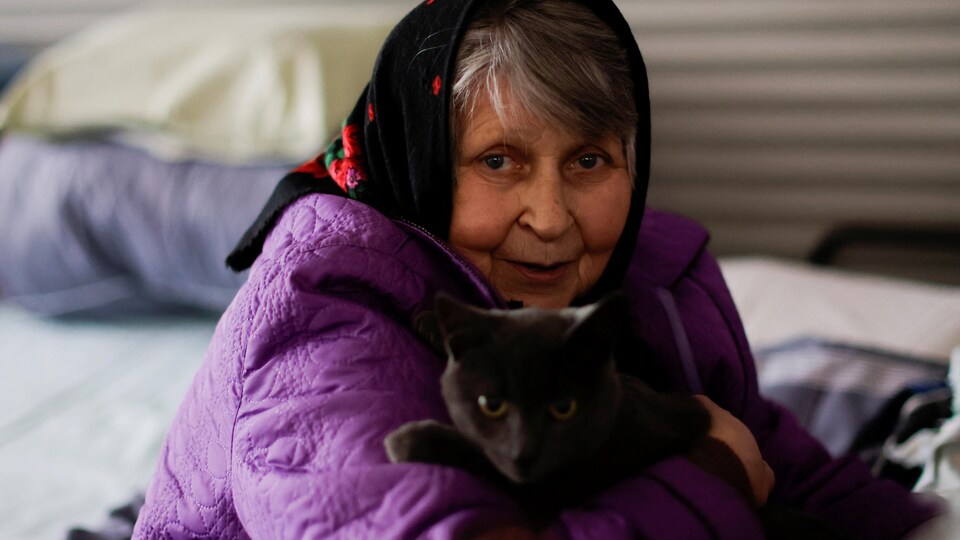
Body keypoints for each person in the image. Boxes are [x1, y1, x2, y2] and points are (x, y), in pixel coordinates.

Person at [133, 0, 944, 538]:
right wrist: (715, 472)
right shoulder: (325, 302)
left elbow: (767, 444)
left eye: (589, 159)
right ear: (421, 160)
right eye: (498, 161)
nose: (552, 218)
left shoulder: (654, 279)